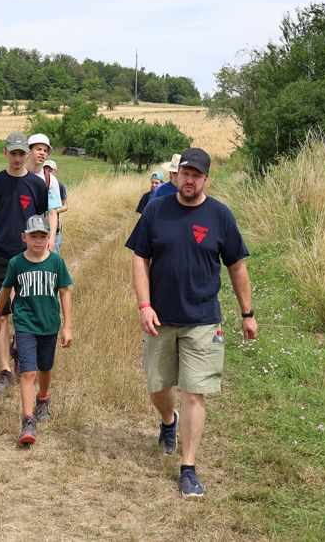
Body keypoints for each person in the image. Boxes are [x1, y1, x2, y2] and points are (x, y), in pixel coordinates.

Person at [125, 147, 258, 498]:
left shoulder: (220, 215)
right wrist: (144, 305)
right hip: (160, 317)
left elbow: (236, 266)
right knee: (158, 388)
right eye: (185, 173)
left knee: (193, 393)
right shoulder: (156, 210)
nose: (189, 180)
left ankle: (188, 468)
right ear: (177, 174)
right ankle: (168, 421)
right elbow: (140, 258)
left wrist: (247, 314)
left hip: (203, 320)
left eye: (196, 175)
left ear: (206, 179)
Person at [0, 132, 49, 394]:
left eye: (21, 153)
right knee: (1, 312)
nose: (17, 158)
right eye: (13, 153)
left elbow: (41, 220)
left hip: (27, 256)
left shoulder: (37, 186)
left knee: (25, 310)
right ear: (5, 153)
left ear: (27, 155)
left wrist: (43, 251)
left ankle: (19, 349)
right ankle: (5, 369)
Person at [0, 214, 74, 446]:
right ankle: (28, 421)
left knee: (45, 368)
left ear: (49, 238)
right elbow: (5, 290)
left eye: (42, 236)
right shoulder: (16, 263)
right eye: (33, 236)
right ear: (24, 237)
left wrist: (67, 326)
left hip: (49, 325)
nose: (38, 241)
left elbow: (65, 292)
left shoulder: (56, 262)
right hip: (25, 325)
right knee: (29, 372)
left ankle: (43, 398)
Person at [26, 133, 62, 251]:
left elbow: (52, 212)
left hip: (40, 236)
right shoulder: (17, 175)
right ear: (29, 151)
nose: (42, 153)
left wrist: (51, 239)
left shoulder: (50, 180)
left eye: (45, 150)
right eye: (38, 149)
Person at [43, 159, 67, 251]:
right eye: (45, 170)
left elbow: (65, 206)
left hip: (54, 229)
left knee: (53, 254)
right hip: (41, 228)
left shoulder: (59, 186)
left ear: (55, 172)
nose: (47, 172)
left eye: (50, 170)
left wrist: (53, 210)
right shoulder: (39, 183)